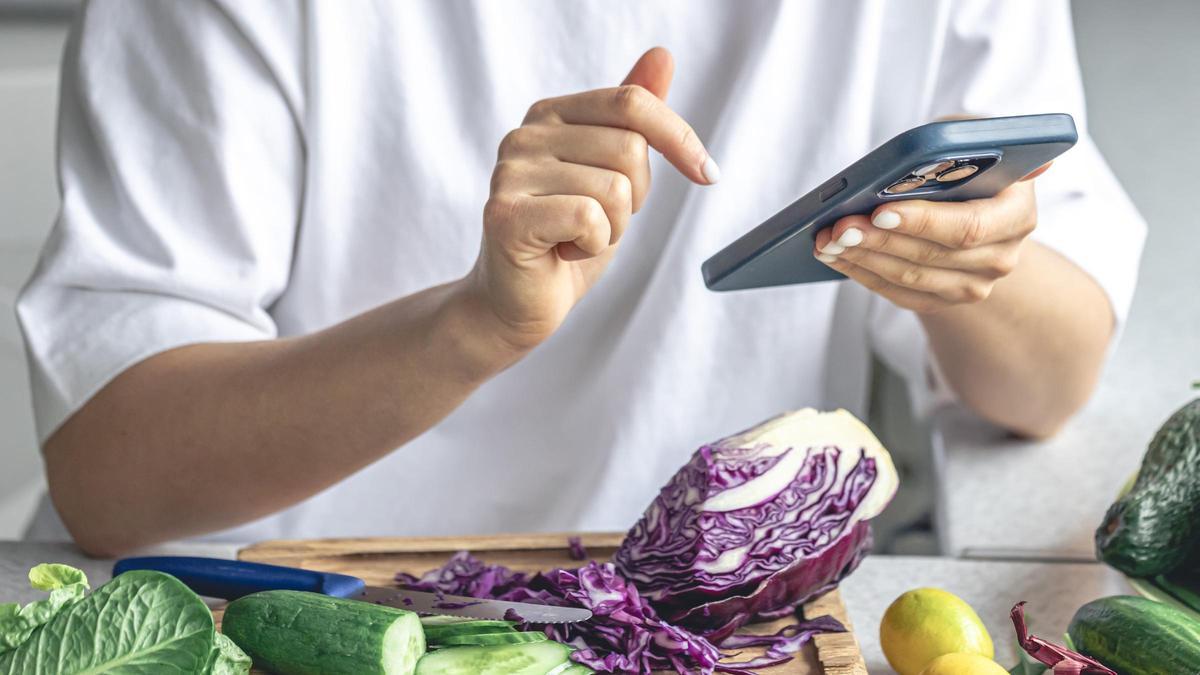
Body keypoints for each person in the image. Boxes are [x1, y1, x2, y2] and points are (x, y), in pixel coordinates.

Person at [18, 0, 1144, 557]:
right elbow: (110, 478)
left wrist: (967, 264)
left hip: (719, 624)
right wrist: (471, 328)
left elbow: (1046, 386)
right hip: (292, 608)